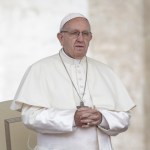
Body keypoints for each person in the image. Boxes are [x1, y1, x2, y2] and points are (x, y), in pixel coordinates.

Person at [11, 13, 135, 150]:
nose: (80, 39)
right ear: (61, 37)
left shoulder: (105, 71)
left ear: (90, 38)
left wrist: (102, 118)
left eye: (85, 34)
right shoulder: (39, 69)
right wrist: (71, 118)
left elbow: (124, 118)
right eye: (74, 33)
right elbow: (30, 117)